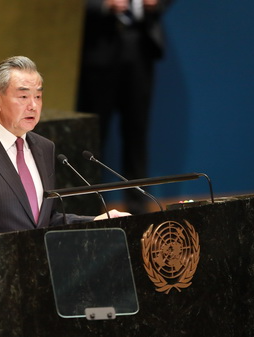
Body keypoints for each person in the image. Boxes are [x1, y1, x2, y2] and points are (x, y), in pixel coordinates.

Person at [0, 56, 129, 240]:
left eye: (38, 96)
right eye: (24, 96)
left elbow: (45, 219)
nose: (33, 106)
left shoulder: (44, 148)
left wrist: (95, 221)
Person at [77, 0, 172, 214]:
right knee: (93, 137)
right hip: (98, 48)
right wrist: (102, 5)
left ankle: (138, 210)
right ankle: (88, 211)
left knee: (137, 134)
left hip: (140, 47)